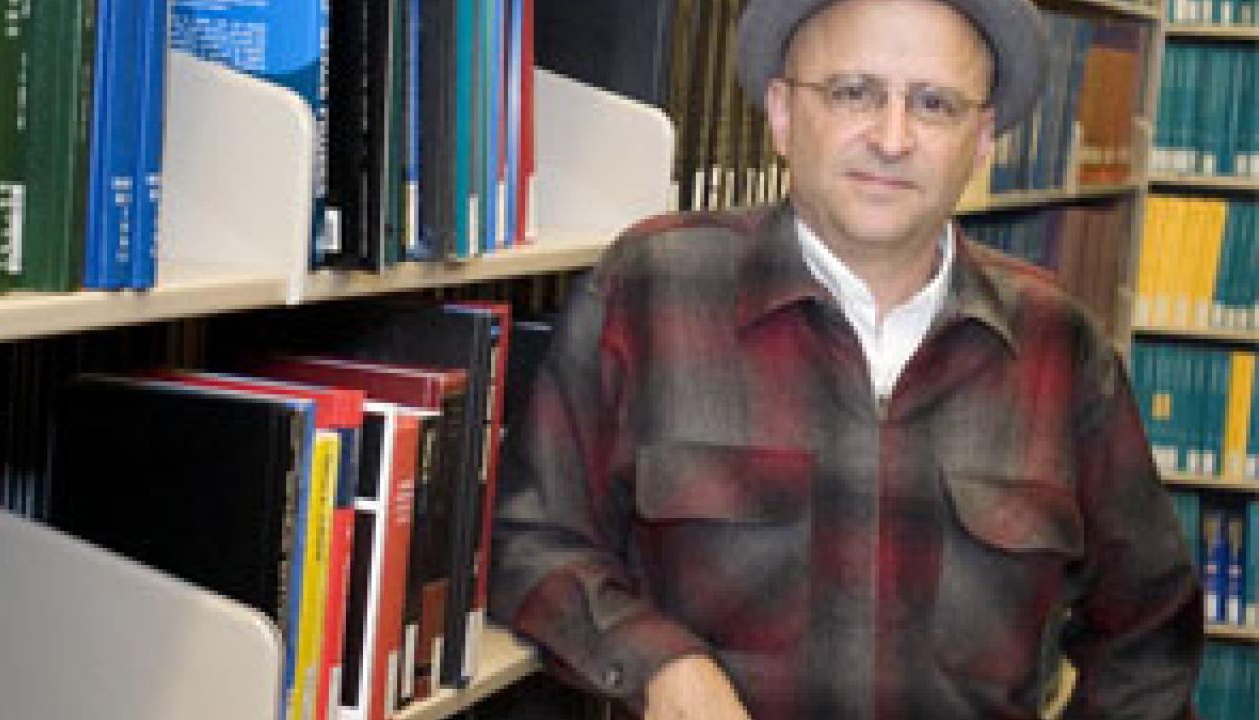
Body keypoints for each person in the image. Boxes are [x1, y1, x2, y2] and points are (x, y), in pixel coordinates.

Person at [490, 0, 1204, 718]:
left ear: (981, 141)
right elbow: (533, 540)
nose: (892, 139)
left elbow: (1150, 628)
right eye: (853, 93)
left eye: (934, 104)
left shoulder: (1058, 343)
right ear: (781, 115)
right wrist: (658, 662)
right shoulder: (650, 290)